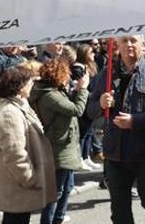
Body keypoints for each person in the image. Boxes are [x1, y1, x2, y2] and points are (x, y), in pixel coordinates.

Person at [86, 35, 145, 224]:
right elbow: (90, 110)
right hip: (115, 154)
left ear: (143, 45)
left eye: (133, 40)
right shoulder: (106, 74)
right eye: (124, 41)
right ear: (117, 45)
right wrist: (101, 103)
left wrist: (136, 121)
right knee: (119, 211)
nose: (129, 45)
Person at [0, 65, 56, 224]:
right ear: (20, 86)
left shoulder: (17, 105)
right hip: (17, 188)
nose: (32, 85)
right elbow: (15, 154)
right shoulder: (10, 113)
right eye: (30, 82)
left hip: (17, 187)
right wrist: (31, 179)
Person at [29, 58, 90, 224]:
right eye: (66, 74)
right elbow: (76, 109)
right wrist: (83, 89)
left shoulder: (53, 90)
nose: (69, 77)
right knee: (56, 191)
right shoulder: (49, 95)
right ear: (59, 75)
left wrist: (76, 90)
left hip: (65, 145)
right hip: (58, 147)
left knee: (67, 187)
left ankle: (59, 218)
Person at [74, 43, 102, 170]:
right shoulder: (78, 68)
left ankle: (86, 157)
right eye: (90, 52)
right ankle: (80, 158)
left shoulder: (91, 66)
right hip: (84, 102)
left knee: (89, 132)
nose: (93, 54)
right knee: (83, 132)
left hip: (91, 101)